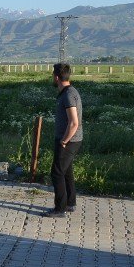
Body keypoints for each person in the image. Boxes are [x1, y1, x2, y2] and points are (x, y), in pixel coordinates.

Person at [44, 62, 83, 218]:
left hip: (69, 140)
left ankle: (59, 209)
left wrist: (64, 141)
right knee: (66, 171)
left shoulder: (68, 95)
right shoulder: (70, 91)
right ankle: (70, 203)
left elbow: (74, 122)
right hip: (71, 140)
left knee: (57, 173)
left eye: (53, 76)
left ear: (56, 77)